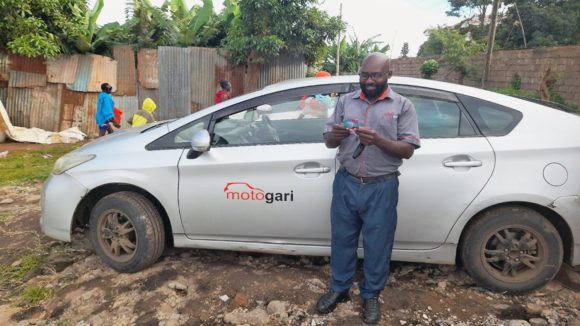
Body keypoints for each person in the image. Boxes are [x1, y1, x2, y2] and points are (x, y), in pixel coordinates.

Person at [316, 53, 420, 324]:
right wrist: (334, 136)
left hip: (381, 186)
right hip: (346, 182)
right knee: (342, 239)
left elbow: (407, 150)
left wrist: (379, 141)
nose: (369, 80)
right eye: (365, 75)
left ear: (389, 75)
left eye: (376, 75)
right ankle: (339, 288)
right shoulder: (345, 102)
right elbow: (328, 141)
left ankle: (371, 294)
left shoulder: (403, 106)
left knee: (377, 245)